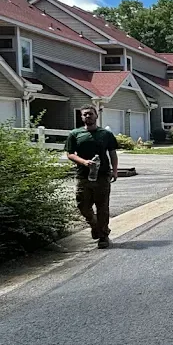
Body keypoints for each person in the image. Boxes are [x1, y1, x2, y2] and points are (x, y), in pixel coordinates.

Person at [65, 104, 119, 248]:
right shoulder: (75, 134)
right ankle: (95, 225)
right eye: (85, 114)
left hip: (102, 176)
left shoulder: (105, 134)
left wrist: (114, 171)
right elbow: (70, 154)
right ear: (82, 117)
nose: (88, 116)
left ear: (96, 115)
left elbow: (112, 153)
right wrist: (84, 162)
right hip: (83, 176)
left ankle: (103, 236)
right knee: (83, 206)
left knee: (102, 207)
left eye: (90, 114)